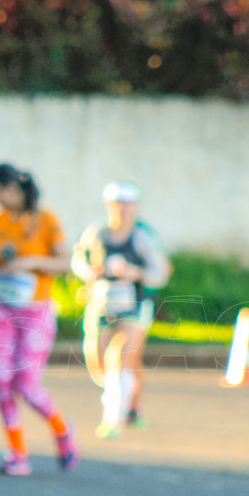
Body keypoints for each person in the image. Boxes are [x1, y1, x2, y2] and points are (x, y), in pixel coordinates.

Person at [0, 163, 78, 476]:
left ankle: (62, 429)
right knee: (3, 383)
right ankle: (17, 453)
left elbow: (64, 263)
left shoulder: (46, 220)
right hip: (2, 309)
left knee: (27, 385)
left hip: (35, 312)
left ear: (15, 189)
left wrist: (31, 261)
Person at [71, 181, 170, 439]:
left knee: (121, 356)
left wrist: (133, 273)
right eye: (117, 204)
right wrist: (89, 272)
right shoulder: (97, 233)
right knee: (99, 361)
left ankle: (113, 417)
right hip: (102, 304)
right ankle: (133, 406)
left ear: (135, 207)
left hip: (134, 306)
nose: (122, 209)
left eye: (127, 204)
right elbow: (78, 259)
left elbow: (160, 273)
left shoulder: (142, 237)